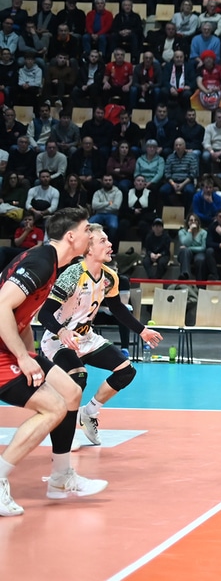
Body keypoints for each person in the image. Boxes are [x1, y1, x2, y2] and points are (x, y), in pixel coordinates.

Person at [0, 207, 101, 516]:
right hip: (2, 353)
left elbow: (21, 317)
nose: (90, 235)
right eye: (86, 230)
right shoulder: (41, 263)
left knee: (71, 392)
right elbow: (1, 306)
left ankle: (60, 477)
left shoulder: (52, 263)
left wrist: (31, 356)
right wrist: (21, 358)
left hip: (9, 346)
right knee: (54, 407)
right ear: (71, 236)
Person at [38, 225, 163, 447]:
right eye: (103, 241)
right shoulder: (72, 275)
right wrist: (62, 331)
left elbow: (117, 308)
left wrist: (142, 331)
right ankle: (65, 435)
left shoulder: (109, 277)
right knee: (78, 377)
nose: (110, 244)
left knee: (126, 371)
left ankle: (89, 412)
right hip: (59, 340)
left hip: (86, 338)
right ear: (88, 249)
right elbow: (44, 313)